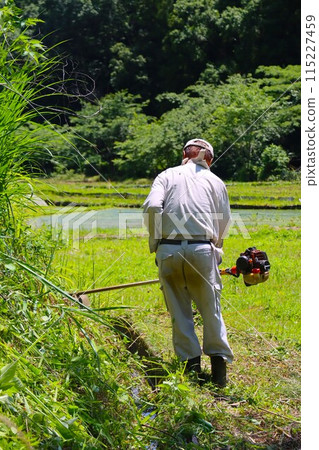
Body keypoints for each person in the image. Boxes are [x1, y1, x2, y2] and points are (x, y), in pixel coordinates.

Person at [143, 138, 233, 387]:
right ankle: (218, 376)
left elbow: (151, 207)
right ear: (209, 159)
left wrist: (156, 244)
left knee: (179, 313)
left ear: (184, 154)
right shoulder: (215, 181)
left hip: (168, 251)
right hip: (202, 249)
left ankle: (191, 373)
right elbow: (224, 219)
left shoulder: (167, 175)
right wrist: (215, 247)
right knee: (211, 311)